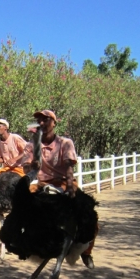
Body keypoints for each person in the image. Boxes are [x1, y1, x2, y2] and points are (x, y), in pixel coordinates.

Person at [26, 109, 98, 269]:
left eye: (46, 120)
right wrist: (32, 166)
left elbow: (68, 166)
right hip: (42, 184)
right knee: (22, 205)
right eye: (40, 121)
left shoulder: (65, 143)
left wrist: (71, 187)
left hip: (64, 182)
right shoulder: (33, 144)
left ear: (54, 122)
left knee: (88, 212)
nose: (42, 123)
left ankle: (86, 252)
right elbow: (28, 168)